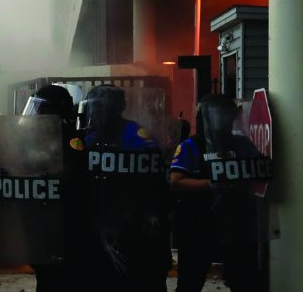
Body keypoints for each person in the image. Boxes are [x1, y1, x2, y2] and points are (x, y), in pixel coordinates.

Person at [169, 95, 265, 292]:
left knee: (245, 281)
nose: (222, 121)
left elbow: (260, 170)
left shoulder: (242, 144)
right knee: (190, 281)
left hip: (237, 224)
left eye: (226, 116)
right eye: (218, 116)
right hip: (199, 223)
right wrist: (212, 184)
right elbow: (176, 181)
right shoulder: (191, 146)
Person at [81, 84, 171, 292]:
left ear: (118, 109)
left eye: (106, 108)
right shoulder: (88, 136)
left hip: (134, 227)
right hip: (97, 224)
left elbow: (151, 183)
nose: (100, 114)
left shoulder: (137, 136)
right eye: (97, 108)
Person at [21, 85, 87, 292]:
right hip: (39, 219)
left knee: (62, 278)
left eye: (43, 109)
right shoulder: (32, 139)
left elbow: (70, 171)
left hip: (63, 221)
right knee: (45, 276)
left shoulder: (71, 139)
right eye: (36, 108)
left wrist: (42, 171)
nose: (37, 114)